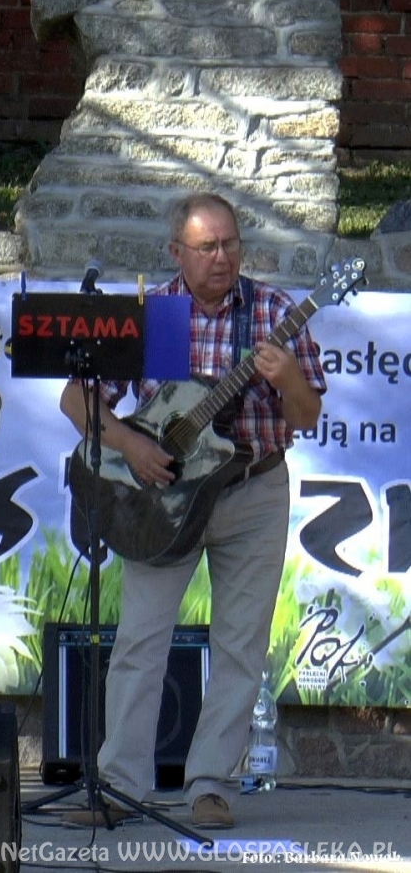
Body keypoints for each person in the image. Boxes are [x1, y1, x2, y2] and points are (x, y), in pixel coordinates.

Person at [57, 192, 325, 829]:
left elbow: (307, 416)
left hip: (253, 491)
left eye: (231, 244)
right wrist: (132, 447)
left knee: (241, 645)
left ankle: (211, 786)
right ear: (176, 251)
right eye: (207, 247)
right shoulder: (154, 315)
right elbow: (77, 400)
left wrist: (288, 378)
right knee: (139, 640)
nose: (222, 257)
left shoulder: (273, 311)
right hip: (164, 499)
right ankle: (119, 785)